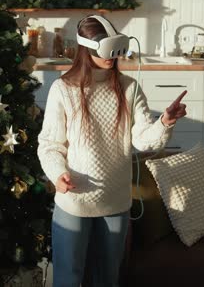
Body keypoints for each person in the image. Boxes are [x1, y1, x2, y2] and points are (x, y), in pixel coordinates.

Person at [37, 15, 187, 287]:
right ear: (86, 48)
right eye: (105, 49)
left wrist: (164, 123)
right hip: (74, 201)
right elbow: (50, 144)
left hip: (115, 202)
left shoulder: (129, 88)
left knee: (107, 279)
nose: (112, 57)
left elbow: (144, 142)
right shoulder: (63, 89)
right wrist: (58, 174)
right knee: (68, 279)